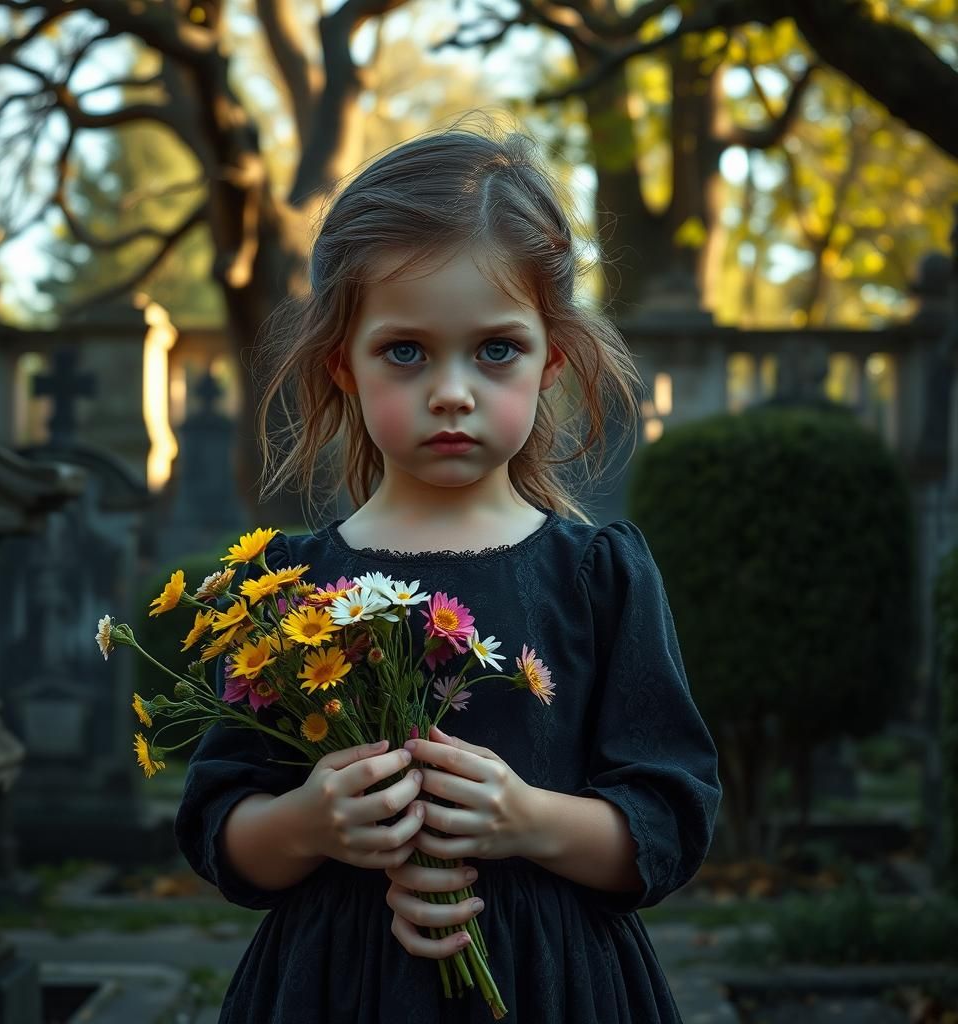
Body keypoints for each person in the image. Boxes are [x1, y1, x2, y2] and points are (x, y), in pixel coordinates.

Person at [174, 119, 722, 1024]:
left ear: (555, 357)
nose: (453, 390)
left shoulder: (597, 575)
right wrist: (310, 823)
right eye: (406, 351)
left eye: (496, 349)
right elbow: (222, 833)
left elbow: (668, 825)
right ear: (340, 364)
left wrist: (530, 820)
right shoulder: (286, 587)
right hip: (336, 985)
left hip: (555, 983)